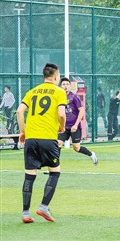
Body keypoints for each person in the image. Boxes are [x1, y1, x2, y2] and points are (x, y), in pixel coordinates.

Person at [16, 63, 67, 223]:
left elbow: (19, 111)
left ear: (44, 76)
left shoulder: (32, 92)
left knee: (29, 175)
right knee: (55, 172)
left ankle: (25, 213)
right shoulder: (59, 92)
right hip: (48, 138)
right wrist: (62, 126)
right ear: (56, 77)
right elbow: (61, 114)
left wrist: (23, 132)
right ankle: (44, 206)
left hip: (31, 138)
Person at [57, 78, 98, 165]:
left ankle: (91, 154)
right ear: (60, 86)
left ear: (70, 86)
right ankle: (54, 166)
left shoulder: (74, 97)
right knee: (58, 144)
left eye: (67, 84)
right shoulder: (58, 97)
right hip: (63, 127)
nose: (65, 86)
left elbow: (81, 110)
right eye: (63, 84)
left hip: (74, 127)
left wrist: (76, 125)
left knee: (76, 148)